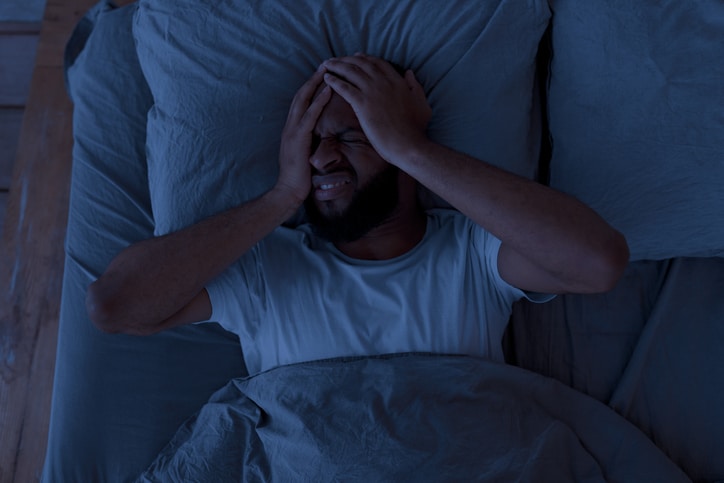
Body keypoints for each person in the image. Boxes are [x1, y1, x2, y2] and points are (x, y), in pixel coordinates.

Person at [87, 54, 629, 374]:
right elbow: (116, 306)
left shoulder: (473, 252)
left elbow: (598, 262)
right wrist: (281, 196)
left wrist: (412, 149)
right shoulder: (264, 269)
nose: (322, 156)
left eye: (349, 137)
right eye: (312, 141)